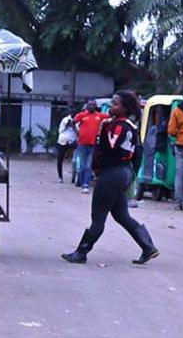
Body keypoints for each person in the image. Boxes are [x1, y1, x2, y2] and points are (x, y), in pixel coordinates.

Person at [62, 91, 159, 265]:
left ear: (125, 108)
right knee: (121, 215)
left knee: (98, 216)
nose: (111, 107)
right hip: (122, 173)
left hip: (112, 174)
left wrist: (103, 129)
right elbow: (136, 153)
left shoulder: (118, 126)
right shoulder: (128, 125)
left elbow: (111, 147)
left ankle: (81, 252)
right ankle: (148, 247)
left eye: (115, 103)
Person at [73, 100, 104, 191]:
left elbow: (110, 117)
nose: (91, 106)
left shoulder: (100, 116)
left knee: (88, 165)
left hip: (93, 144)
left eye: (93, 105)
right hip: (82, 144)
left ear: (96, 106)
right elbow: (72, 122)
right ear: (87, 106)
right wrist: (77, 132)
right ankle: (82, 181)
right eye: (89, 105)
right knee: (82, 166)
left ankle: (85, 185)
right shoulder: (82, 115)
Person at [55, 111, 78, 183]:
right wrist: (77, 131)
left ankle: (75, 176)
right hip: (63, 142)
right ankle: (60, 177)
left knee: (76, 159)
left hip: (73, 142)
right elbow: (70, 124)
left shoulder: (79, 120)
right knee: (60, 159)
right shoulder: (66, 119)